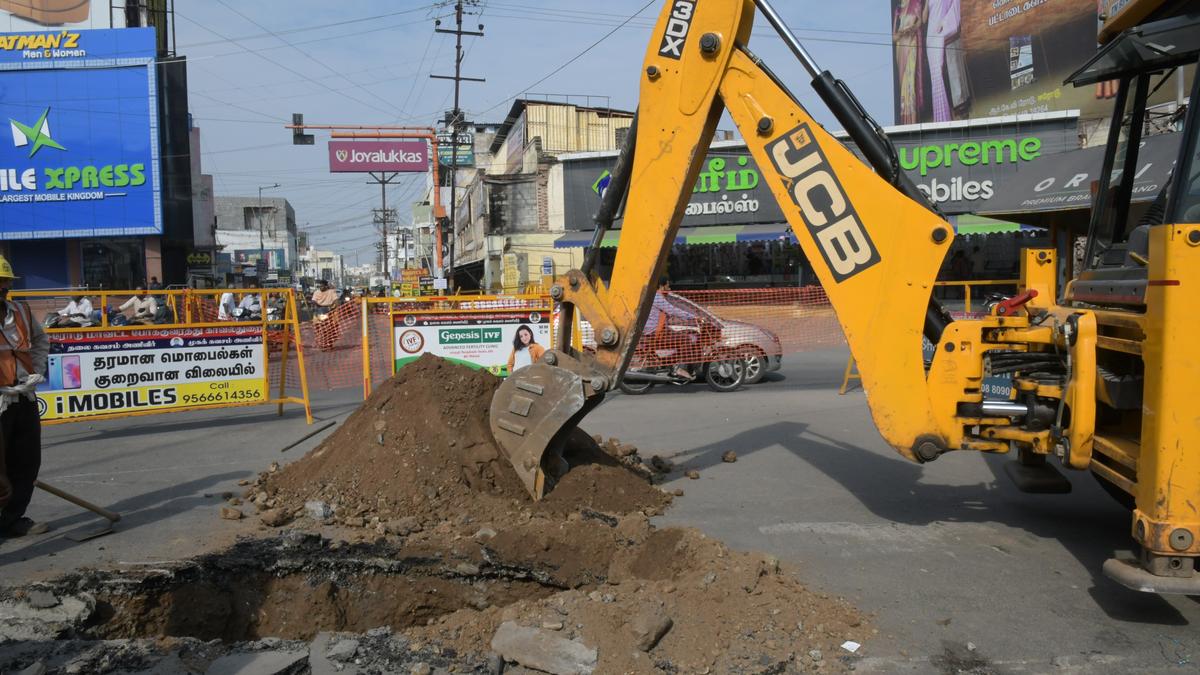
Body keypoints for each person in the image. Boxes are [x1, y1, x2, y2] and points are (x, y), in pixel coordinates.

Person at [0, 255, 51, 537]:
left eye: (6, 283)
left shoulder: (19, 310)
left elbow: (40, 340)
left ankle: (11, 519)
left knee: (27, 461)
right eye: (0, 282)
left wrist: (37, 371)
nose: (4, 288)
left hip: (23, 396)